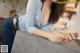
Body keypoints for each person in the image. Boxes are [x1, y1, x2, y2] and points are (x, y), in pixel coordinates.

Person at [2, 0, 79, 53]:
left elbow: (45, 31)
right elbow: (29, 27)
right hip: (10, 26)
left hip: (22, 34)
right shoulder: (35, 1)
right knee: (5, 51)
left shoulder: (57, 11)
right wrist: (50, 36)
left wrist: (61, 36)